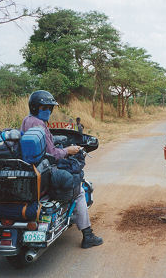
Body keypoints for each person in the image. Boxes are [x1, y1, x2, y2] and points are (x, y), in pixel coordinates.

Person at [21, 90, 103, 248]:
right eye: (44, 107)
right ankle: (87, 235)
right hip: (44, 169)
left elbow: (43, 145)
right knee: (78, 190)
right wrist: (68, 150)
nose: (47, 111)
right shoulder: (39, 124)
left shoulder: (27, 120)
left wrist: (57, 140)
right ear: (35, 107)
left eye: (49, 108)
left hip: (32, 169)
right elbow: (51, 154)